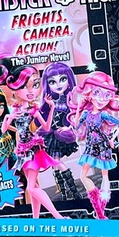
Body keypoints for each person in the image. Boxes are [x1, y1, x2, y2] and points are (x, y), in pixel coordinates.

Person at [0, 56, 66, 219]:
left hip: (33, 149)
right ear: (16, 89)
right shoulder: (14, 110)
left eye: (34, 85)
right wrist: (8, 118)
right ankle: (36, 219)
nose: (30, 91)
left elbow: (46, 127)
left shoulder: (33, 110)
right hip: (22, 151)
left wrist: (52, 107)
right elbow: (3, 130)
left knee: (31, 187)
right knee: (33, 186)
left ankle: (58, 217)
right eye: (25, 86)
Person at [68, 71, 119, 219]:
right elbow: (76, 126)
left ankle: (100, 211)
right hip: (91, 146)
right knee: (83, 176)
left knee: (104, 176)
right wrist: (79, 106)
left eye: (107, 95)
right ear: (89, 93)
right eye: (97, 92)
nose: (102, 99)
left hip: (102, 146)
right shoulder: (86, 114)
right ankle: (98, 207)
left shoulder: (103, 115)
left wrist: (111, 139)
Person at [39, 63, 81, 200]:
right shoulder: (51, 100)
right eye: (52, 82)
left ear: (69, 80)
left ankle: (74, 191)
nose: (58, 85)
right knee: (54, 163)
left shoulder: (71, 99)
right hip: (50, 134)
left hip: (60, 135)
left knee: (55, 161)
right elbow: (45, 117)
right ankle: (64, 192)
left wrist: (68, 126)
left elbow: (76, 117)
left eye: (62, 79)